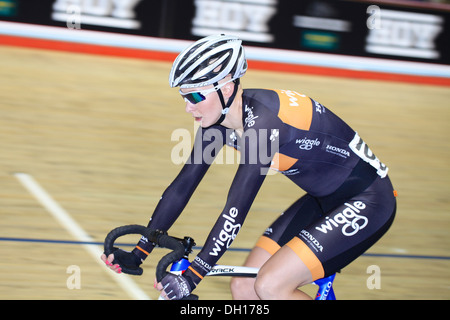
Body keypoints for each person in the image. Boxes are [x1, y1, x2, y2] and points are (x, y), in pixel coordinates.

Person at [101, 34, 397, 300]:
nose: (188, 107)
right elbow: (183, 186)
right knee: (243, 287)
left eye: (194, 96)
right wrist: (140, 252)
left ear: (226, 89)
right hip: (323, 200)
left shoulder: (265, 124)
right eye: (183, 97)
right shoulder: (218, 120)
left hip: (368, 201)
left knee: (270, 286)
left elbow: (236, 207)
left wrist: (193, 276)